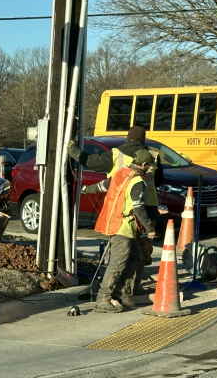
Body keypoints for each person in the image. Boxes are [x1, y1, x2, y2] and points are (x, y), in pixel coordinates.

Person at [67, 126, 161, 292]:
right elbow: (159, 180)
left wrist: (72, 150)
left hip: (121, 213)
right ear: (143, 139)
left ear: (128, 138)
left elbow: (89, 162)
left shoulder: (115, 154)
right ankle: (132, 288)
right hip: (147, 210)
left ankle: (117, 291)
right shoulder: (154, 156)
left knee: (122, 255)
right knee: (140, 253)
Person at [81, 149, 157, 313]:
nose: (150, 168)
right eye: (149, 165)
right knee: (117, 263)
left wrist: (86, 189)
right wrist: (149, 228)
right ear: (144, 165)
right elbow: (138, 208)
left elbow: (102, 186)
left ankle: (119, 291)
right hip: (121, 226)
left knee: (135, 257)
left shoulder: (122, 173)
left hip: (117, 224)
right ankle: (103, 299)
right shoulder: (137, 182)